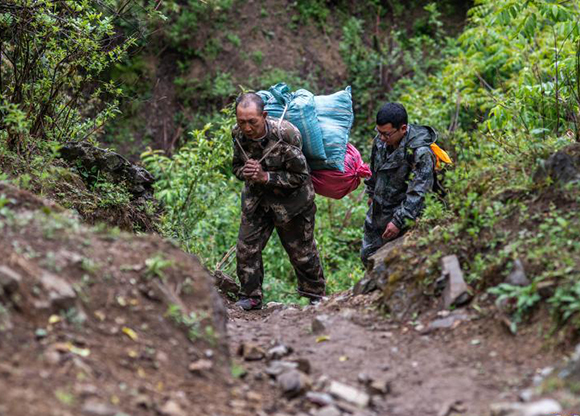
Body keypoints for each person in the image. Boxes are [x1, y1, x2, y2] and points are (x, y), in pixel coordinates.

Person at [231, 92, 326, 310]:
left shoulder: (285, 136)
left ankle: (316, 296)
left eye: (252, 122)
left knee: (302, 253)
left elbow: (301, 176)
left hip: (292, 204)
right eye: (241, 122)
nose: (247, 128)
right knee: (246, 248)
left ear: (264, 116)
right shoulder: (237, 135)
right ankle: (250, 296)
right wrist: (245, 172)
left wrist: (266, 177)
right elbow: (236, 166)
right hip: (258, 202)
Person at [361, 102, 436, 266]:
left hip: (404, 215)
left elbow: (419, 192)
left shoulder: (420, 153)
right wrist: (371, 194)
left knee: (392, 263)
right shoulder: (380, 142)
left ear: (403, 128)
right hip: (378, 211)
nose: (381, 138)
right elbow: (374, 170)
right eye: (379, 132)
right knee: (367, 257)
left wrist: (398, 221)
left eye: (386, 134)